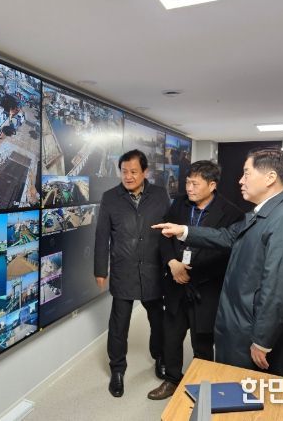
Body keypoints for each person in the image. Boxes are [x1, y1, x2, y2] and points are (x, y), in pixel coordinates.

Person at [152, 149, 283, 378]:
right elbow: (227, 236)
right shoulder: (264, 213)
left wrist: (262, 340)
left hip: (251, 329)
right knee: (230, 383)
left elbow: (278, 289)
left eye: (246, 173)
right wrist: (183, 230)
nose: (240, 181)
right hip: (239, 322)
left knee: (247, 391)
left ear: (270, 178)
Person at [147, 161, 243, 400]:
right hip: (175, 282)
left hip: (206, 287)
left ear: (212, 185)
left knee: (202, 340)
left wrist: (191, 271)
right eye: (187, 182)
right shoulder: (179, 204)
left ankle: (203, 384)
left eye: (195, 184)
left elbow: (227, 250)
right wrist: (172, 263)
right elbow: (164, 236)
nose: (189, 188)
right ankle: (172, 379)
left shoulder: (232, 213)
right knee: (171, 335)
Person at [94, 149, 170, 398]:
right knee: (119, 324)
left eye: (134, 171)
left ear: (145, 172)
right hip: (123, 270)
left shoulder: (160, 195)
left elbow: (169, 231)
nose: (128, 176)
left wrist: (173, 262)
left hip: (153, 269)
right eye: (124, 171)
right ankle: (117, 370)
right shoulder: (110, 197)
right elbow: (102, 236)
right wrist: (100, 269)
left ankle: (160, 357)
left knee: (158, 320)